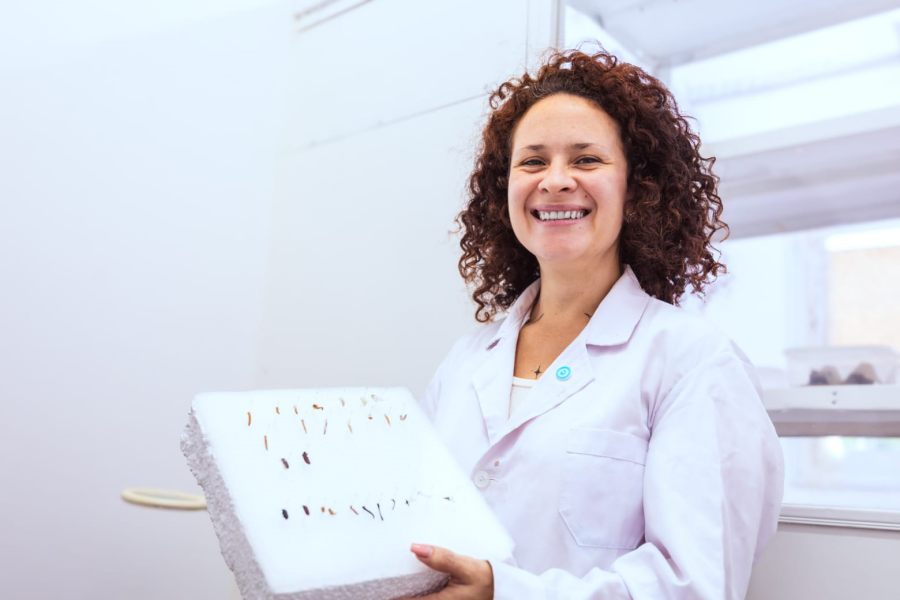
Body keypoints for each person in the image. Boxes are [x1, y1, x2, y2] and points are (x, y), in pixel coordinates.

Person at [407, 49, 784, 599]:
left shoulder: (691, 361)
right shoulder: (465, 362)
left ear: (636, 188)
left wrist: (502, 592)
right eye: (532, 162)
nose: (556, 181)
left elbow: (694, 584)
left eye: (586, 159)